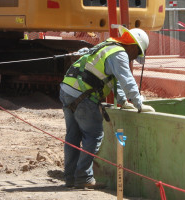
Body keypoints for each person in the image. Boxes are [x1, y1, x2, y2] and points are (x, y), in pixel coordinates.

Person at [59, 25, 155, 189]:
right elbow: (126, 79)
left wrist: (123, 102)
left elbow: (114, 80)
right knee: (94, 135)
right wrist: (139, 104)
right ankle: (83, 177)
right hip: (83, 95)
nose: (134, 58)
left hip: (68, 90)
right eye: (137, 53)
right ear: (133, 46)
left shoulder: (108, 46)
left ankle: (70, 178)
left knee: (73, 136)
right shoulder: (120, 54)